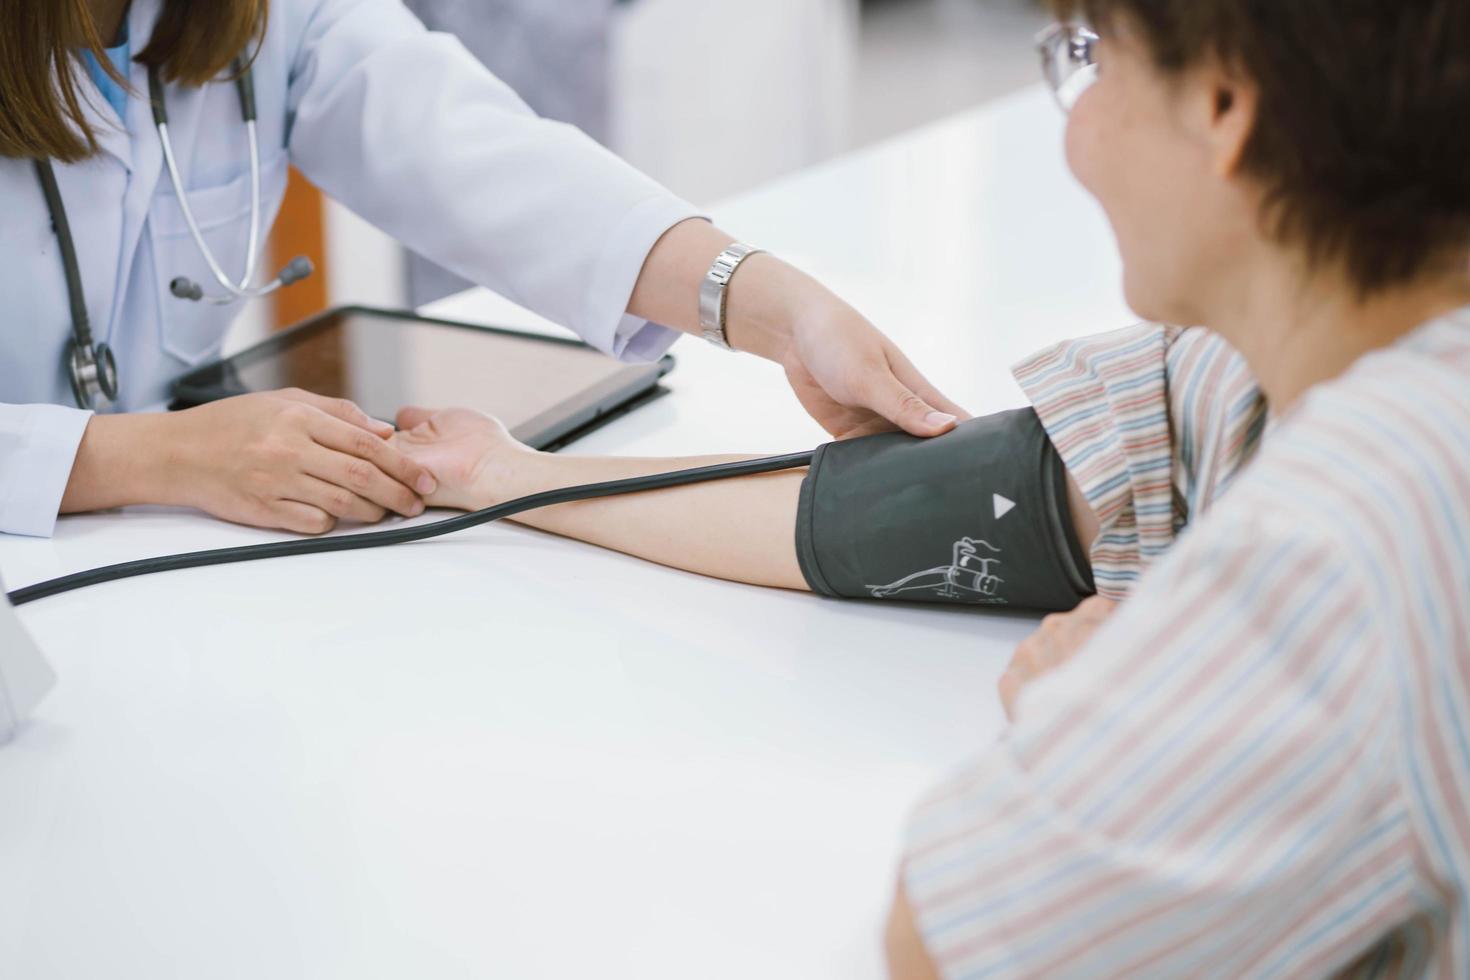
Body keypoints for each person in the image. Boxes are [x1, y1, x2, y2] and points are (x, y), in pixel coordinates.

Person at [394, 0, 1470, 974]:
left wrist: (1093, 713)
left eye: (1091, 59)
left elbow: (952, 942)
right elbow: (924, 504)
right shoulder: (1255, 371)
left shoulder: (1355, 542)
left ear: (1225, 103)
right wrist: (512, 475)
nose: (1074, 134)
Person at [0, 0, 966, 539]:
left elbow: (476, 154)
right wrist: (147, 456)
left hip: (158, 554)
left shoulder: (265, 16)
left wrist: (775, 305)